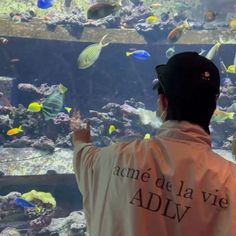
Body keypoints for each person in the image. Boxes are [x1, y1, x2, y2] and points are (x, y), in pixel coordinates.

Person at [71, 52, 236, 236]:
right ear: (214, 108)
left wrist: (80, 138)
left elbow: (85, 159)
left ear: (163, 102)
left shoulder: (115, 159)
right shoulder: (231, 182)